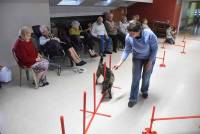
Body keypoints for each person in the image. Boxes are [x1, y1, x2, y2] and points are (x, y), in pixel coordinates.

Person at [113, 22, 158, 108]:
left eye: (132, 34)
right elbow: (127, 50)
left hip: (149, 57)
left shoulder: (149, 35)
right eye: (129, 33)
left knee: (146, 76)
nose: (130, 35)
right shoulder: (128, 37)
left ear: (139, 31)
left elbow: (155, 49)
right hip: (137, 57)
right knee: (135, 78)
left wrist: (150, 62)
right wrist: (120, 62)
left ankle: (144, 90)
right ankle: (133, 98)